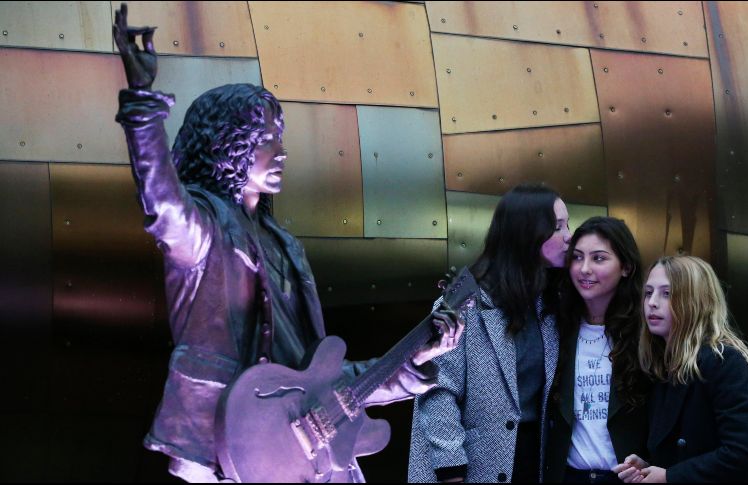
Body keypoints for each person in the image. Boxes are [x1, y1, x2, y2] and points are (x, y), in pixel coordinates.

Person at [111, 4, 463, 483]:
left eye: (279, 138)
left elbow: (317, 377)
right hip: (219, 451)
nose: (281, 152)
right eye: (266, 139)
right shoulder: (206, 230)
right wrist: (142, 104)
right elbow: (163, 204)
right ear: (228, 143)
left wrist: (414, 358)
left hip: (297, 454)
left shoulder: (284, 248)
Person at [408, 184, 572, 483]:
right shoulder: (464, 303)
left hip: (532, 461)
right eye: (558, 227)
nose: (568, 236)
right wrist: (451, 470)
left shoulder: (549, 302)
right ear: (528, 233)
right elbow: (438, 390)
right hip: (469, 467)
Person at [612, 256, 748, 483]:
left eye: (667, 293)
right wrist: (649, 466)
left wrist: (669, 476)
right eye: (648, 292)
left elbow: (744, 453)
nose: (652, 302)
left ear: (695, 301)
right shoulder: (662, 364)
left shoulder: (723, 361)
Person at [544, 217, 650, 483]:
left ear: (625, 267)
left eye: (599, 259)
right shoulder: (555, 327)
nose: (584, 269)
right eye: (577, 258)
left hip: (628, 477)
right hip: (568, 476)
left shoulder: (645, 331)